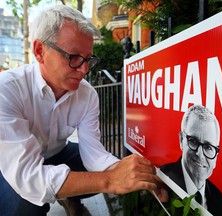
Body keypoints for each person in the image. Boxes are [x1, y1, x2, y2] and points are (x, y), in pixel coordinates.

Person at [0, 5, 167, 216]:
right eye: (74, 57)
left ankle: (69, 197)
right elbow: (28, 176)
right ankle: (64, 194)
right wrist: (109, 181)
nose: (84, 69)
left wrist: (134, 174)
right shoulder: (6, 89)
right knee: (24, 203)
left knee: (98, 168)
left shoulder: (87, 95)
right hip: (11, 163)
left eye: (88, 59)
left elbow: (93, 154)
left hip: (58, 153)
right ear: (40, 51)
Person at [160, 105, 222, 216]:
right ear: (181, 140)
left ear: (216, 155)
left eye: (208, 147)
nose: (200, 154)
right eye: (193, 141)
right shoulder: (161, 179)